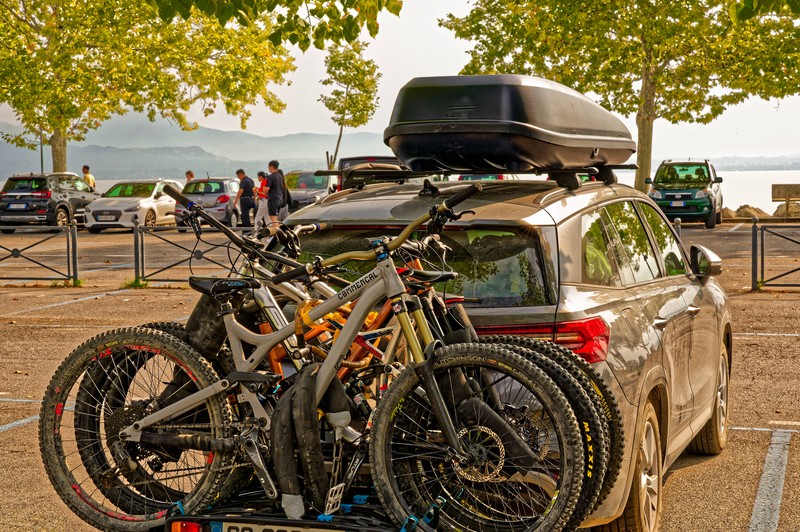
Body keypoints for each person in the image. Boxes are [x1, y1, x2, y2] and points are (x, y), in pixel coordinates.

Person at [265, 160, 285, 227]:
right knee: (276, 219)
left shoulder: (270, 176)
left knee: (273, 219)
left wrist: (264, 189)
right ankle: (278, 233)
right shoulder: (280, 176)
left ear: (271, 166)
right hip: (279, 199)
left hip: (273, 199)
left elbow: (267, 189)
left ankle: (276, 235)